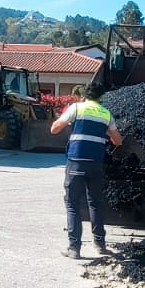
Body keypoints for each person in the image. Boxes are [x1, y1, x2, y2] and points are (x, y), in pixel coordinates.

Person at [49, 83, 123, 259]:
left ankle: (74, 248)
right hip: (96, 164)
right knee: (95, 203)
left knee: (73, 204)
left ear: (85, 95)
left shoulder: (76, 108)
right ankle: (100, 245)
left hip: (76, 162)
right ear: (101, 97)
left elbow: (54, 129)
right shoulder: (106, 114)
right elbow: (118, 141)